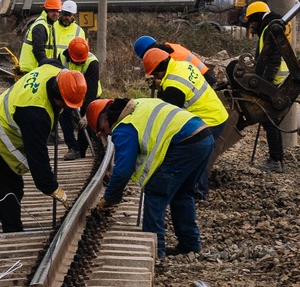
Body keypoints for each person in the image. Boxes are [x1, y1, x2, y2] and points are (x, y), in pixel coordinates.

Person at [90, 96, 215, 258]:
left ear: (104, 118)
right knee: (182, 194)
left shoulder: (124, 126)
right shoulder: (138, 104)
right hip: (204, 137)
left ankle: (155, 251)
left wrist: (110, 198)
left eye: (102, 130)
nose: (105, 134)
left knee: (156, 191)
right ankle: (190, 244)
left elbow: (123, 170)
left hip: (185, 141)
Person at [0, 68, 90, 232]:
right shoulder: (36, 113)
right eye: (65, 104)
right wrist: (52, 187)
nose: (65, 108)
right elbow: (38, 157)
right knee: (10, 184)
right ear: (57, 97)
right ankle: (13, 231)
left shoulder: (53, 70)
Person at [243, 1, 293, 173]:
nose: (251, 25)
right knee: (272, 120)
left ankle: (275, 160)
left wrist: (264, 84)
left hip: (275, 81)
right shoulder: (272, 26)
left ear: (257, 16)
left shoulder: (270, 28)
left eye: (251, 21)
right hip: (279, 80)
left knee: (269, 120)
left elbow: (273, 59)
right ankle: (277, 159)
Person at [59, 34, 100, 158]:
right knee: (63, 115)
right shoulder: (62, 57)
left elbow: (91, 91)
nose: (79, 63)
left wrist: (87, 115)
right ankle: (73, 147)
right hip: (68, 92)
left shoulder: (92, 63)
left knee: (85, 123)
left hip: (88, 94)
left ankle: (81, 149)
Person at [16, 0, 63, 72]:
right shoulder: (40, 27)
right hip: (32, 69)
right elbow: (38, 51)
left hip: (36, 68)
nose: (56, 14)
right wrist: (47, 66)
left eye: (57, 11)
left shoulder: (49, 25)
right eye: (52, 11)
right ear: (46, 11)